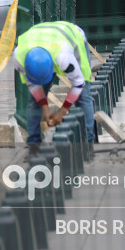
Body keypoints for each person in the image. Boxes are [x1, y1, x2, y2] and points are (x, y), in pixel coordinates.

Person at [12, 21, 95, 154]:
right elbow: (32, 84)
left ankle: (87, 144)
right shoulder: (18, 57)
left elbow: (78, 84)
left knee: (83, 97)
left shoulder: (63, 57)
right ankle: (34, 147)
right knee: (34, 102)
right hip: (43, 37)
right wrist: (45, 108)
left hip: (72, 36)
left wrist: (62, 112)